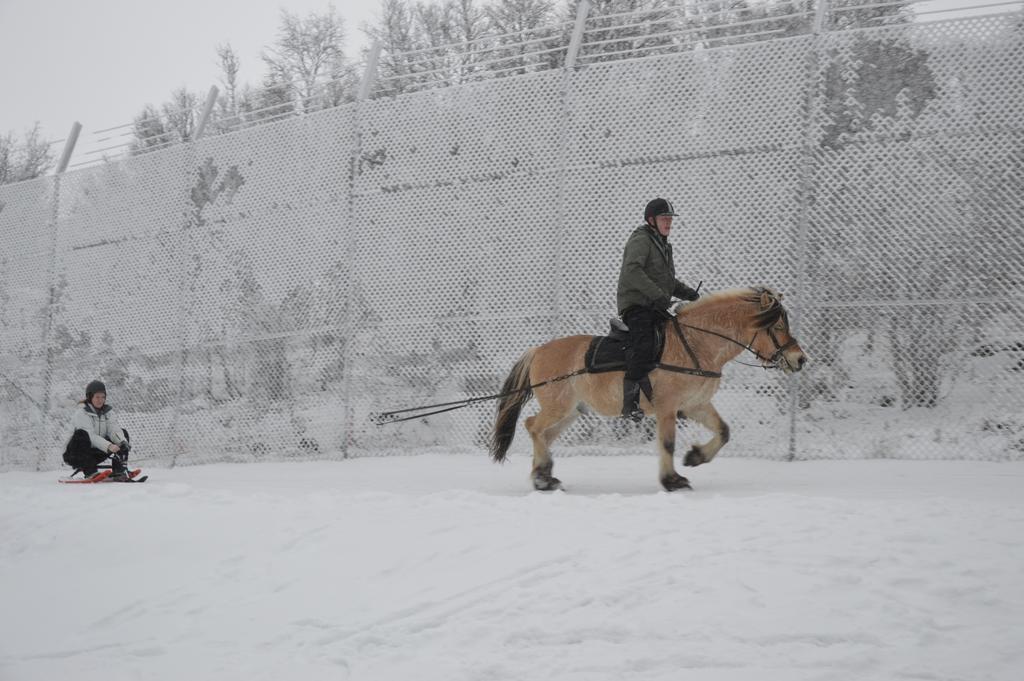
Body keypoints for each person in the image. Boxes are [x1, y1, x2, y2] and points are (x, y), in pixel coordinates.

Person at [616, 198, 700, 421]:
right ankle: (630, 403)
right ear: (651, 220)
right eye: (665, 218)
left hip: (654, 305)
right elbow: (632, 271)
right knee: (644, 345)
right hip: (637, 305)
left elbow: (668, 281)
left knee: (677, 341)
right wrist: (658, 296)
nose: (669, 222)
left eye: (670, 219)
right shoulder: (641, 240)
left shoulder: (663, 245)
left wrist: (690, 293)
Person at [63, 379, 131, 479]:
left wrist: (122, 442)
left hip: (95, 452)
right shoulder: (81, 414)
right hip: (75, 454)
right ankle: (90, 472)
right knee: (81, 434)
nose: (100, 400)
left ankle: (119, 471)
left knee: (123, 433)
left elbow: (114, 430)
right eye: (97, 397)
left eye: (103, 397)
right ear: (90, 397)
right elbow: (90, 436)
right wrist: (109, 446)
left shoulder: (108, 413)